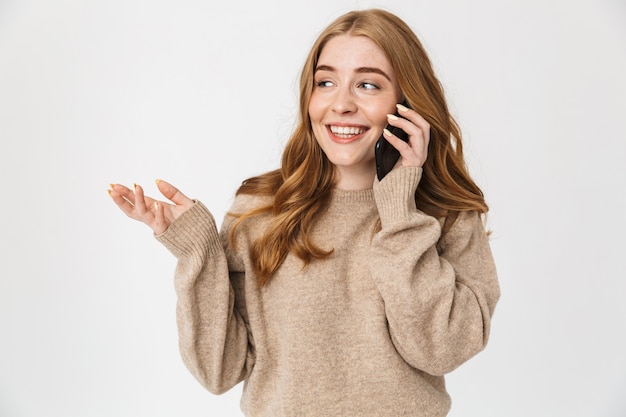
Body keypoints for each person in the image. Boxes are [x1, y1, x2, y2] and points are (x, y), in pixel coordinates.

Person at [108, 8, 499, 417]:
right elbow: (218, 371)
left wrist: (400, 210)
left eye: (367, 85)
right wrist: (200, 254)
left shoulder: (446, 216)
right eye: (326, 82)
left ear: (407, 103)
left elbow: (441, 350)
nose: (341, 103)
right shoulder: (260, 210)